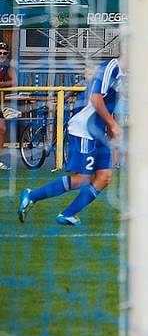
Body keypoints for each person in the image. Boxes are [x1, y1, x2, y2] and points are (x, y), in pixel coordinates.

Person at [18, 56, 124, 226]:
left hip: (98, 131)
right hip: (85, 129)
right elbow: (96, 99)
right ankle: (32, 196)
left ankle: (67, 214)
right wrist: (113, 126)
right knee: (82, 178)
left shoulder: (124, 74)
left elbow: (108, 107)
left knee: (105, 176)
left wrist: (113, 139)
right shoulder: (112, 66)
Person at [0, 42, 17, 170]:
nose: (2, 55)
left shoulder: (8, 65)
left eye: (5, 53)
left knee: (2, 129)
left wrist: (2, 84)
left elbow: (14, 81)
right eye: (0, 52)